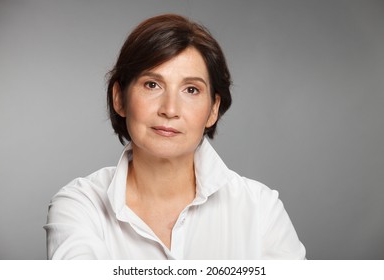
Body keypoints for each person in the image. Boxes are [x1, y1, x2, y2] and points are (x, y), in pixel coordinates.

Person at [44, 14, 306, 259]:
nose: (169, 109)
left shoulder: (260, 209)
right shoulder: (80, 205)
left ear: (213, 109)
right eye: (152, 84)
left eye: (191, 90)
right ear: (119, 98)